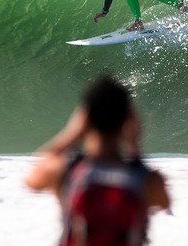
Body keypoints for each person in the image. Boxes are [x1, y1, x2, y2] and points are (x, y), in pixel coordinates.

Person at [25, 75, 170, 246]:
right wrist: (134, 145)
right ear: (128, 120)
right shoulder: (147, 180)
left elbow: (32, 179)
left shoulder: (66, 172)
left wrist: (71, 136)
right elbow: (163, 203)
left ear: (85, 118)